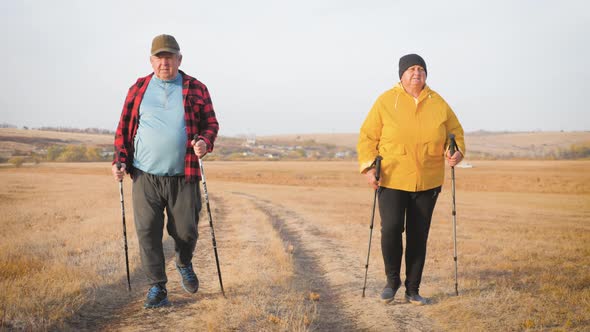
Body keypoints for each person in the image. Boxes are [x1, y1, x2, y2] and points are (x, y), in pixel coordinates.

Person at [111, 34, 219, 308]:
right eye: (159, 57)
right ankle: (157, 287)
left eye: (169, 57)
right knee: (147, 231)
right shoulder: (138, 88)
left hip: (184, 175)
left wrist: (205, 141)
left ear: (179, 59)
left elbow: (211, 124)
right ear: (151, 60)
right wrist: (119, 160)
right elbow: (124, 129)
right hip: (145, 175)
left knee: (186, 231)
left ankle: (183, 262)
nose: (164, 62)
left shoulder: (196, 88)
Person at [357, 54, 465, 305]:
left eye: (421, 69)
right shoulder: (385, 101)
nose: (417, 73)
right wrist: (369, 168)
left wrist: (456, 151)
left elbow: (455, 133)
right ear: (401, 75)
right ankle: (392, 282)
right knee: (392, 228)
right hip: (392, 177)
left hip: (428, 180)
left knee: (419, 235)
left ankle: (413, 289)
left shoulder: (438, 102)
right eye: (411, 69)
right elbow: (367, 138)